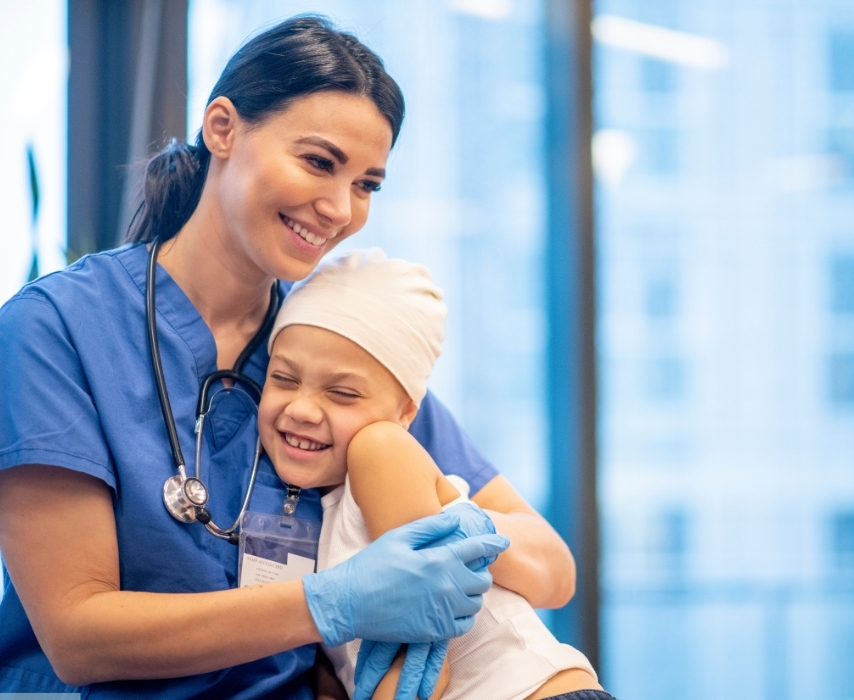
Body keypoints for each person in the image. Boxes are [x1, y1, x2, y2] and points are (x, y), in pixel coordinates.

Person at [0, 15, 573, 699]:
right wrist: (334, 601)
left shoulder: (333, 335)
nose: (340, 208)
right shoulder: (56, 330)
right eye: (319, 162)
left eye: (367, 184)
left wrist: (456, 528)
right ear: (222, 128)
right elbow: (79, 634)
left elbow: (548, 564)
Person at [257, 249, 614, 700]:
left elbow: (422, 668)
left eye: (343, 393)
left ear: (407, 412)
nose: (302, 409)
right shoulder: (323, 515)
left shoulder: (381, 452)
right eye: (283, 379)